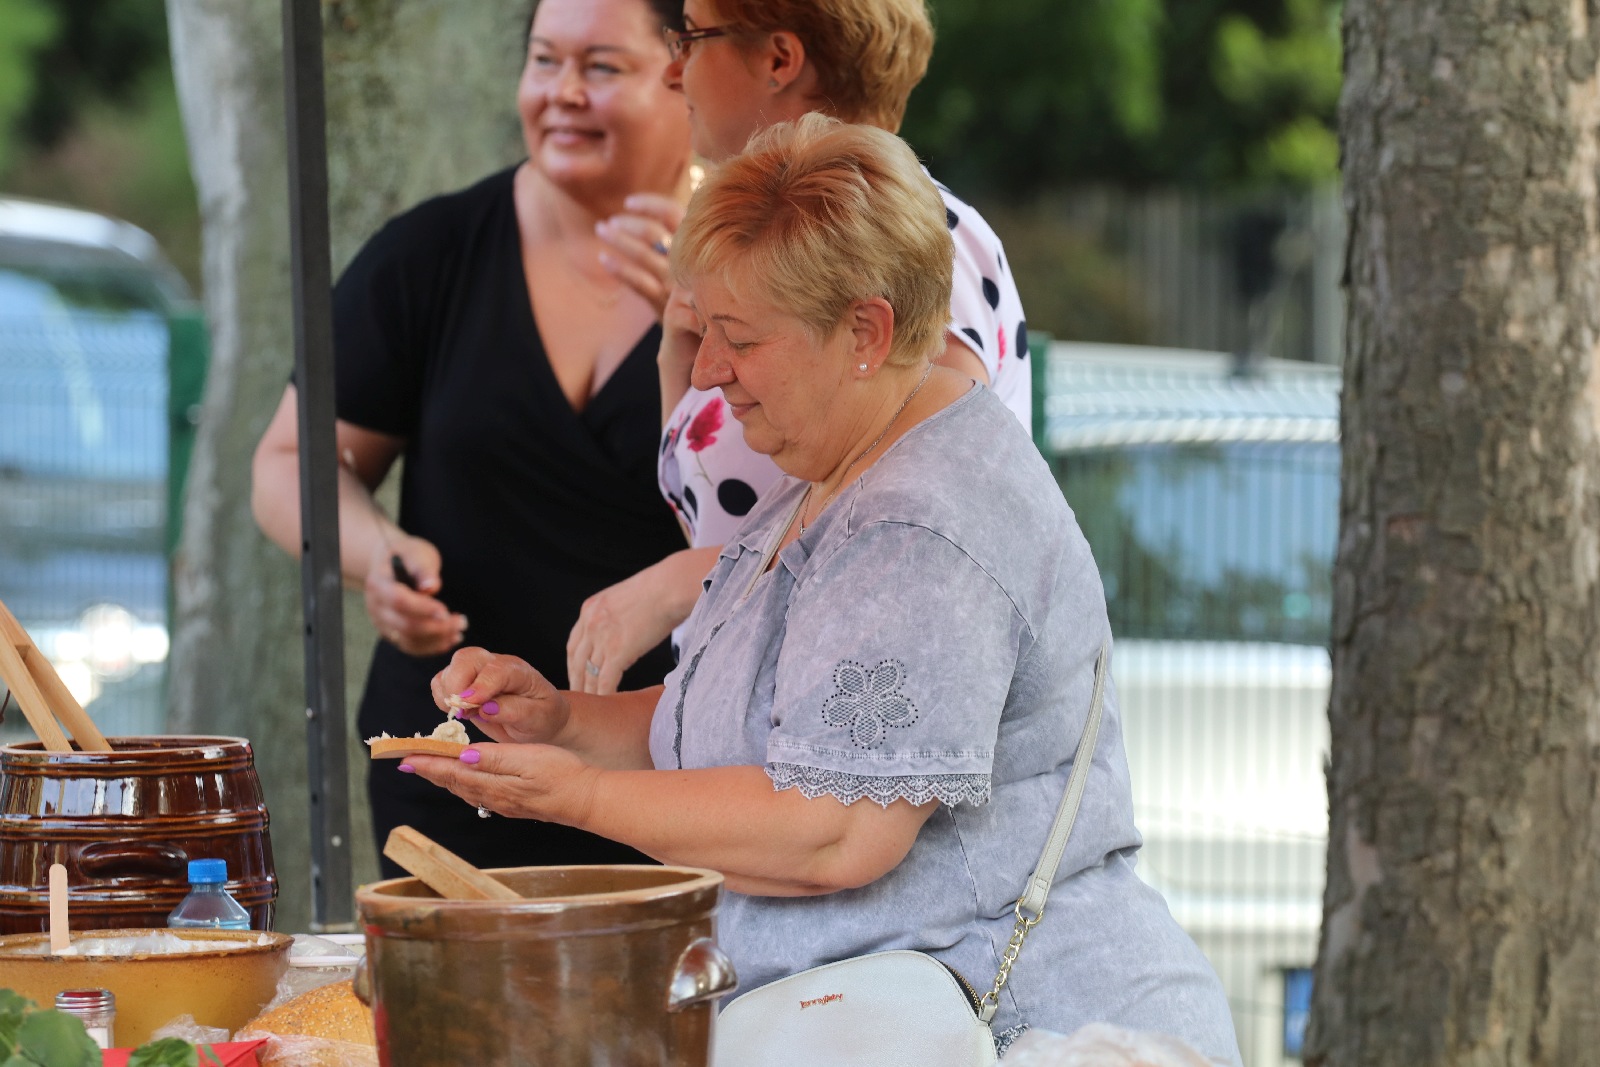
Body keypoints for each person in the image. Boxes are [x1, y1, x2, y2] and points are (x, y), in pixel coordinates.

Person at [404, 116, 1240, 1063]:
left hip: (1027, 1029)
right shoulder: (839, 467)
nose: (710, 372)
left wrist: (578, 797)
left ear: (865, 332)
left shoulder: (924, 520)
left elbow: (832, 827)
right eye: (702, 332)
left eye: (739, 338)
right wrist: (558, 723)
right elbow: (743, 734)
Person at [250, 0, 694, 876]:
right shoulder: (431, 253)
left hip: (674, 766)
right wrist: (377, 553)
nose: (562, 93)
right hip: (459, 766)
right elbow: (288, 463)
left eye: (601, 67)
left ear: (686, 77)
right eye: (542, 61)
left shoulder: (753, 268)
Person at [564, 0, 1032, 693]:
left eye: (691, 37)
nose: (673, 70)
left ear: (780, 59)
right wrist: (679, 361)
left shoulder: (920, 236)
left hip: (840, 745)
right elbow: (725, 506)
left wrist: (678, 584)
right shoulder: (780, 248)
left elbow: (922, 496)